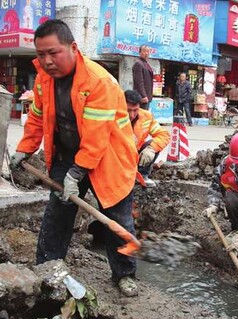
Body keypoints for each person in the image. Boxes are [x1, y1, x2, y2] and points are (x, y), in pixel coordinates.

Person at [9, 19, 140, 297]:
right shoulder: (45, 79)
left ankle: (125, 274)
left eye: (53, 53)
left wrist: (75, 174)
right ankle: (47, 267)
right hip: (68, 155)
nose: (46, 61)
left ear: (73, 47)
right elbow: (37, 117)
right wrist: (25, 149)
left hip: (108, 158)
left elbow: (96, 138)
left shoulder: (98, 81)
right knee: (57, 212)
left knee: (117, 219)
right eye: (40, 54)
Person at [125, 90, 170, 187]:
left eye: (135, 110)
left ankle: (141, 175)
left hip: (135, 154)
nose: (132, 115)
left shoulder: (146, 117)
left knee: (152, 144)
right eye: (128, 110)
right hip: (119, 157)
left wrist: (152, 148)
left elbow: (163, 135)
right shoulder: (114, 115)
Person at [132, 44, 154, 110]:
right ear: (140, 53)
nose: (146, 53)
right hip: (142, 97)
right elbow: (139, 82)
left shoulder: (145, 64)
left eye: (148, 51)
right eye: (144, 51)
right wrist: (144, 96)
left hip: (147, 96)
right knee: (141, 117)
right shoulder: (138, 64)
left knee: (145, 116)